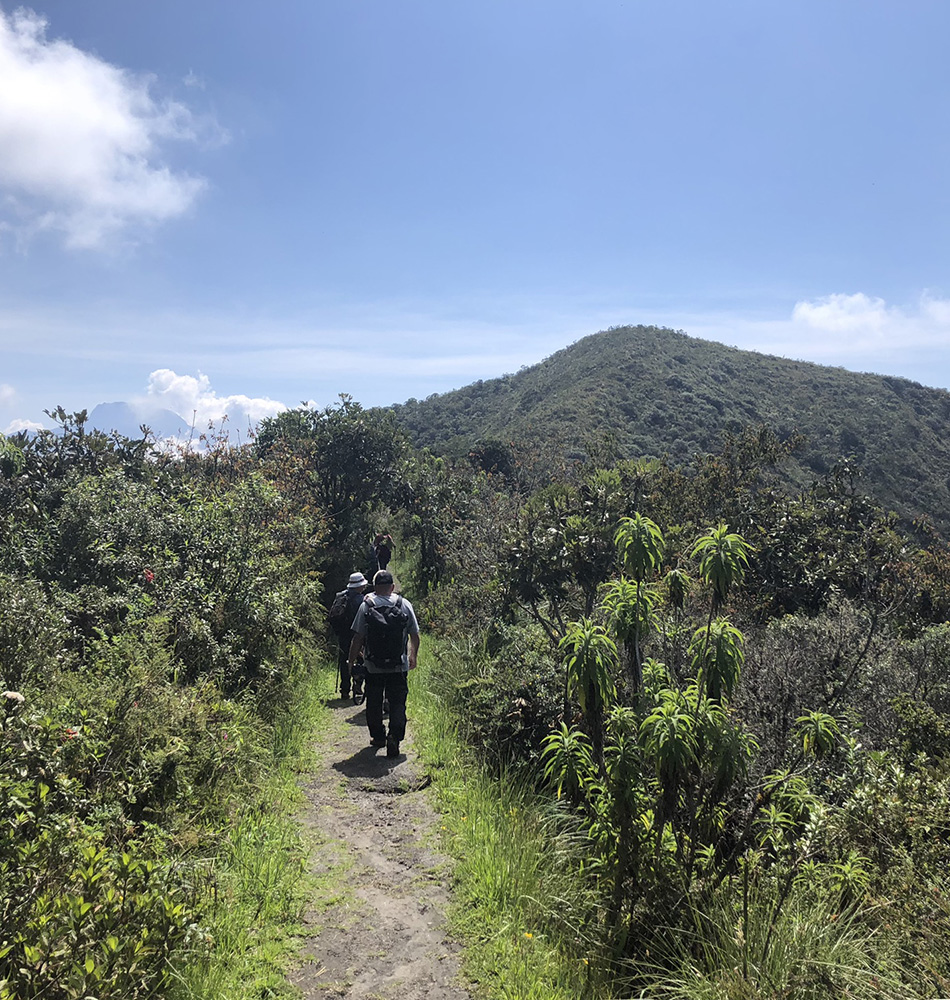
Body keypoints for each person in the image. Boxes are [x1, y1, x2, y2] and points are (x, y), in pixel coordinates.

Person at [347, 569, 420, 758]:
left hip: (373, 666)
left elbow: (357, 637)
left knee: (374, 702)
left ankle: (378, 737)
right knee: (397, 702)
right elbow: (415, 634)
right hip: (398, 665)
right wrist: (413, 656)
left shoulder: (366, 606)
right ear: (392, 587)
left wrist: (352, 661)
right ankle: (394, 736)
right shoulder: (404, 604)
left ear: (374, 587)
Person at [330, 572, 369, 701]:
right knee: (360, 660)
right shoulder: (361, 600)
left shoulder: (340, 596)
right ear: (359, 586)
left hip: (343, 634)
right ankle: (357, 685)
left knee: (344, 661)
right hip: (357, 635)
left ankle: (344, 690)